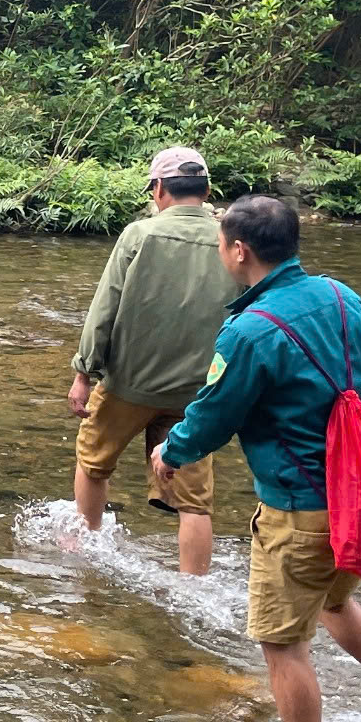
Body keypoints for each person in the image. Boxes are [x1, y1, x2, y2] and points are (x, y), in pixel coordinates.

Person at [152, 195, 361, 722]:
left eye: (220, 246)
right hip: (360, 497)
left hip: (299, 510)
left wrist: (173, 451)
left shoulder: (248, 332)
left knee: (282, 644)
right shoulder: (342, 296)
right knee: (333, 601)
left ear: (239, 251)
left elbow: (214, 415)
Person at [67, 145, 235, 574]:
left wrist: (84, 372)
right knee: (195, 503)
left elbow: (104, 308)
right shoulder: (231, 241)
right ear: (208, 189)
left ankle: (86, 549)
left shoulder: (139, 235)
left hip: (129, 384)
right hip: (197, 393)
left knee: (93, 463)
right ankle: (194, 589)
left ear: (159, 189)